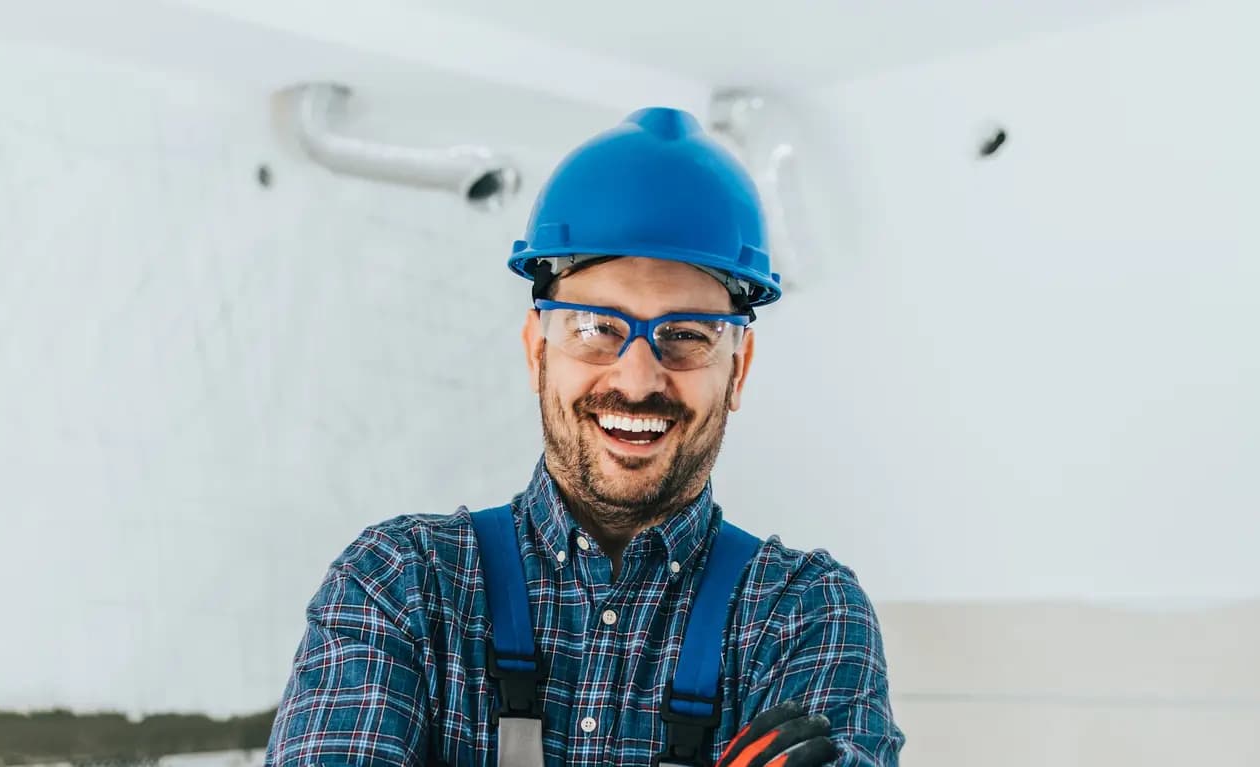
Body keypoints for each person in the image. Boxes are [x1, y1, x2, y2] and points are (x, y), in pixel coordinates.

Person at [264, 106, 903, 766]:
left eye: (686, 335)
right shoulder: (402, 586)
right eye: (597, 327)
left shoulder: (802, 615)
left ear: (737, 370)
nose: (636, 378)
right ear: (536, 352)